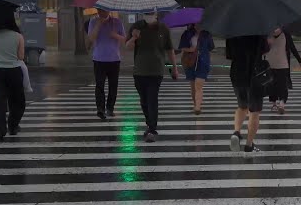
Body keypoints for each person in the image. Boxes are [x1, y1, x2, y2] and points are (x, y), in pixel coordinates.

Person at [126, 12, 178, 142]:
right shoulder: (137, 26)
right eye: (146, 13)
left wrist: (174, 68)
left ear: (156, 13)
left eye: (151, 13)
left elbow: (170, 49)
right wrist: (134, 38)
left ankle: (152, 129)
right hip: (139, 71)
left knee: (152, 99)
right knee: (144, 101)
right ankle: (149, 124)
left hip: (156, 71)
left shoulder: (163, 29)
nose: (148, 15)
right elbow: (128, 47)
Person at [226, 34, 269, 153]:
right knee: (254, 111)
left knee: (242, 106)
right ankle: (249, 145)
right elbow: (265, 49)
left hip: (236, 73)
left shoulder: (232, 31)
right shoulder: (258, 31)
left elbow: (229, 55)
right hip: (254, 75)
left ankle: (237, 132)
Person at [0, 17, 26, 141]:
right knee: (17, 101)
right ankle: (13, 126)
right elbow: (21, 56)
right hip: (14, 70)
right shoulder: (18, 36)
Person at [87, 8, 124, 119]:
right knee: (100, 85)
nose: (102, 13)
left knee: (113, 86)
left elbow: (124, 38)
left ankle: (110, 108)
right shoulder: (93, 21)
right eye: (100, 10)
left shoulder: (117, 22)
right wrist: (98, 25)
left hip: (114, 59)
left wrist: (115, 35)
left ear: (109, 10)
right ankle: (100, 109)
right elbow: (91, 39)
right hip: (99, 59)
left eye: (104, 10)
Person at [264, 25, 301, 114]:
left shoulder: (274, 33)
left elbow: (292, 47)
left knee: (277, 84)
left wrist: (300, 61)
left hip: (276, 63)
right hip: (276, 63)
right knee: (277, 84)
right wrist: (300, 61)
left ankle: (278, 103)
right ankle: (278, 103)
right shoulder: (277, 33)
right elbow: (292, 47)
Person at [177, 23, 214, 114]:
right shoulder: (187, 33)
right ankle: (195, 104)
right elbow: (182, 47)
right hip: (190, 62)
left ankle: (198, 107)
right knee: (193, 86)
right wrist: (191, 50)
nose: (199, 25)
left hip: (203, 63)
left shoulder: (207, 34)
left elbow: (211, 47)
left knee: (198, 85)